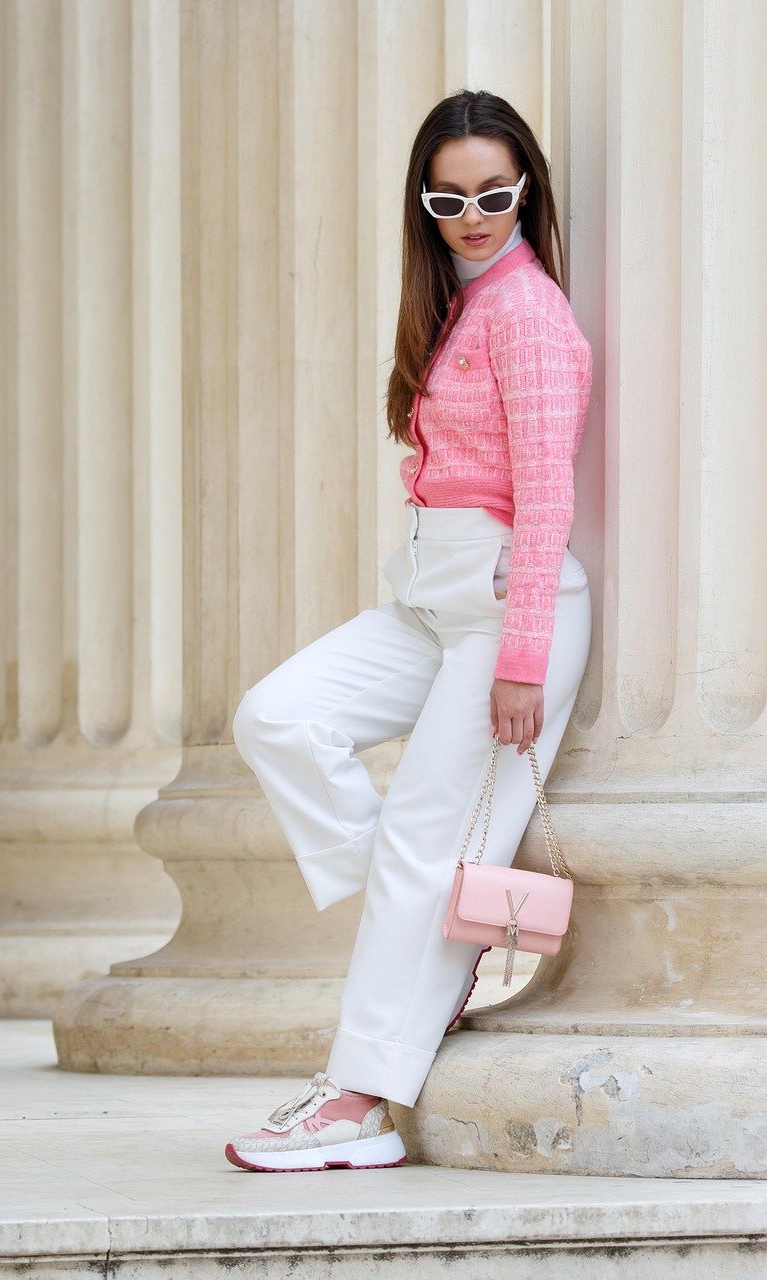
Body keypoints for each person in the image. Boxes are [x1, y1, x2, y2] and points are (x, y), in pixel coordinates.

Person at [225, 89, 593, 1172]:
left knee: (422, 853)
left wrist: (522, 661)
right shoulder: (453, 305)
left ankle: (357, 1104)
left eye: (492, 194)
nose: (472, 216)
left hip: (506, 615)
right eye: (448, 198)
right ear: (423, 206)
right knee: (278, 715)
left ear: (525, 192)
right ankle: (413, 892)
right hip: (430, 604)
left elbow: (547, 500)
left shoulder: (527, 315)